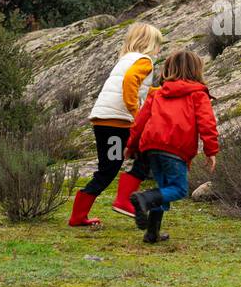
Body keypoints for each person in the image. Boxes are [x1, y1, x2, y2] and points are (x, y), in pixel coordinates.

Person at [67, 22, 162, 227]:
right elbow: (129, 83)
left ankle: (80, 215)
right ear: (150, 44)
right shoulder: (145, 61)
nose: (159, 49)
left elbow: (139, 89)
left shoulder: (126, 60)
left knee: (130, 159)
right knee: (111, 169)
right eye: (158, 44)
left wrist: (159, 93)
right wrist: (135, 111)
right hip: (117, 124)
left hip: (106, 121)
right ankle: (122, 201)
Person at [124, 49, 219, 244]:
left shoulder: (157, 94)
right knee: (178, 189)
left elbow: (140, 122)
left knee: (163, 189)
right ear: (196, 70)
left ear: (169, 69)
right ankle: (144, 199)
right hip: (175, 148)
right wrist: (211, 150)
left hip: (151, 147)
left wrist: (131, 146)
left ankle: (152, 233)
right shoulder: (198, 94)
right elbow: (207, 122)